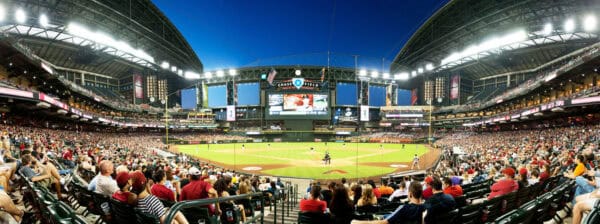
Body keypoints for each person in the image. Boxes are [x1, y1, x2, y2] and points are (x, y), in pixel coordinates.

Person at [352, 181, 425, 224]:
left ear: (410, 194)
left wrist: (359, 222)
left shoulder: (404, 208)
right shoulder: (424, 207)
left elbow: (384, 222)